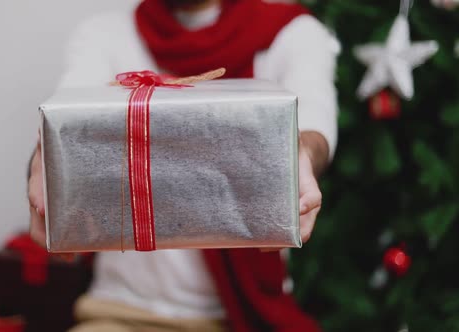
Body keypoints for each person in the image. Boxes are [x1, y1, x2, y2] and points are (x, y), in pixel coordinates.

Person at [28, 0, 339, 331]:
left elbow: (313, 120)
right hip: (120, 312)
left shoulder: (290, 32)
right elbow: (68, 117)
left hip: (243, 317)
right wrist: (42, 159)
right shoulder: (103, 34)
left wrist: (301, 156)